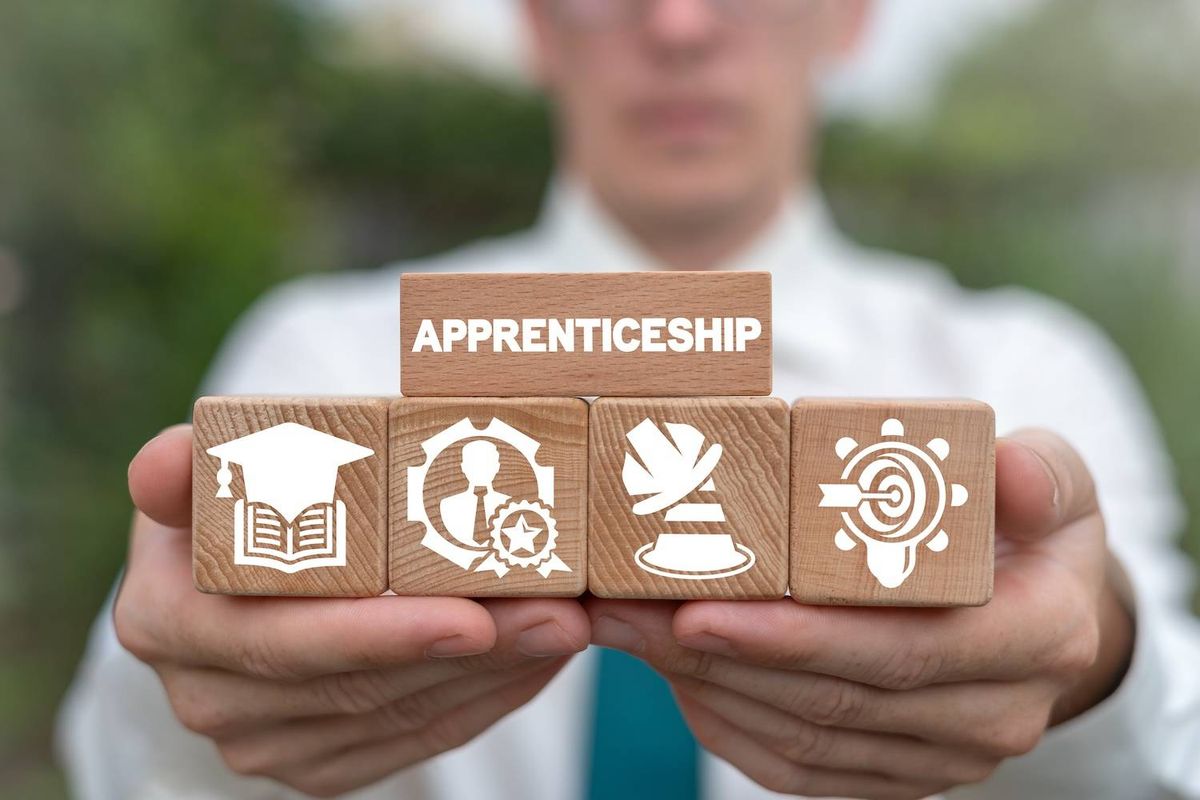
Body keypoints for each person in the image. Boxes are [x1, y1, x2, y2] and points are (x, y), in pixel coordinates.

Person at [59, 1, 1200, 798]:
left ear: (846, 17)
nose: (680, 25)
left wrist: (1098, 664)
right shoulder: (323, 355)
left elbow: (1175, 750)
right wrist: (186, 698)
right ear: (538, 24)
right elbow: (119, 769)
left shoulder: (1022, 369)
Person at [441, 440, 511, 548]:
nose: (480, 469)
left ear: (497, 467)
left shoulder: (510, 504)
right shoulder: (448, 505)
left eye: (486, 464)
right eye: (474, 464)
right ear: (463, 467)